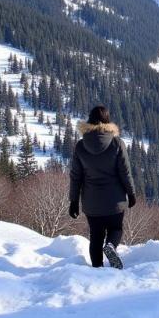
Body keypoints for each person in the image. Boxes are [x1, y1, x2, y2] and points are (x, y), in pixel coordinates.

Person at [69, 105, 136, 270]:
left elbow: (76, 176)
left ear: (89, 121)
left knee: (96, 236)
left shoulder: (80, 146)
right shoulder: (116, 143)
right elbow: (125, 172)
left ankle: (97, 270)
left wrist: (73, 201)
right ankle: (111, 246)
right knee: (116, 229)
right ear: (107, 120)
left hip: (92, 203)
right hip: (115, 200)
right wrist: (131, 193)